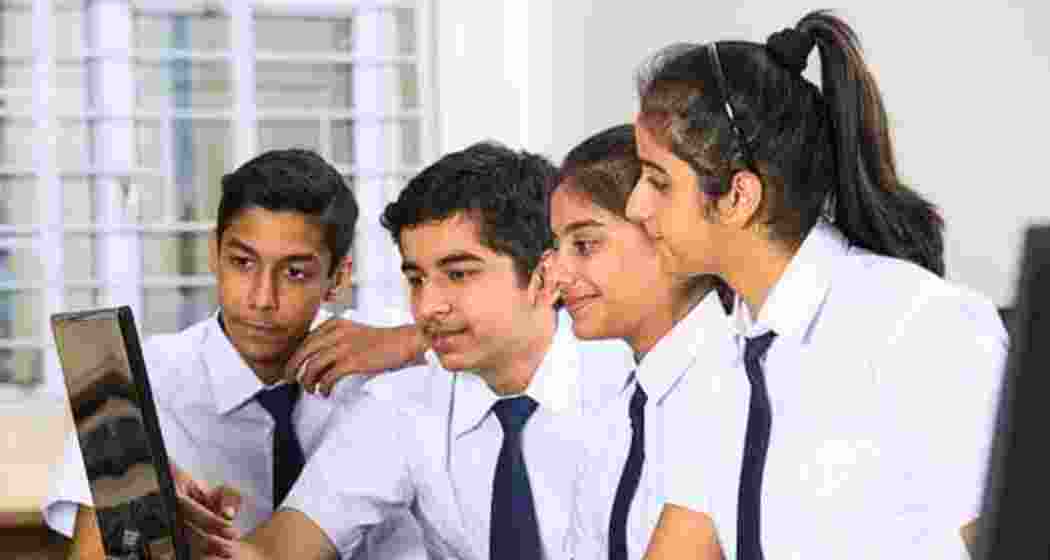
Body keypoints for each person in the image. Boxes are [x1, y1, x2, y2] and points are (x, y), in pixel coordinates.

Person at [624, 10, 1007, 558]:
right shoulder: (717, 360)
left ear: (738, 197)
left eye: (658, 181)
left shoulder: (921, 327)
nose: (636, 206)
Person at [203, 141, 621, 560]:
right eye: (417, 279)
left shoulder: (629, 387)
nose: (428, 306)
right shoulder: (400, 405)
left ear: (545, 278)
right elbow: (281, 547)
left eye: (458, 274)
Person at [43, 149, 424, 559]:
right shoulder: (140, 382)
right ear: (215, 253)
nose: (262, 299)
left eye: (295, 273)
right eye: (243, 263)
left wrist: (416, 341)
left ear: (338, 278)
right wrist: (154, 529)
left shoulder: (387, 364)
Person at [546, 124, 728, 560]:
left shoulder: (732, 386)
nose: (557, 274)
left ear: (664, 231)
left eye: (585, 245)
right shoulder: (620, 411)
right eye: (558, 246)